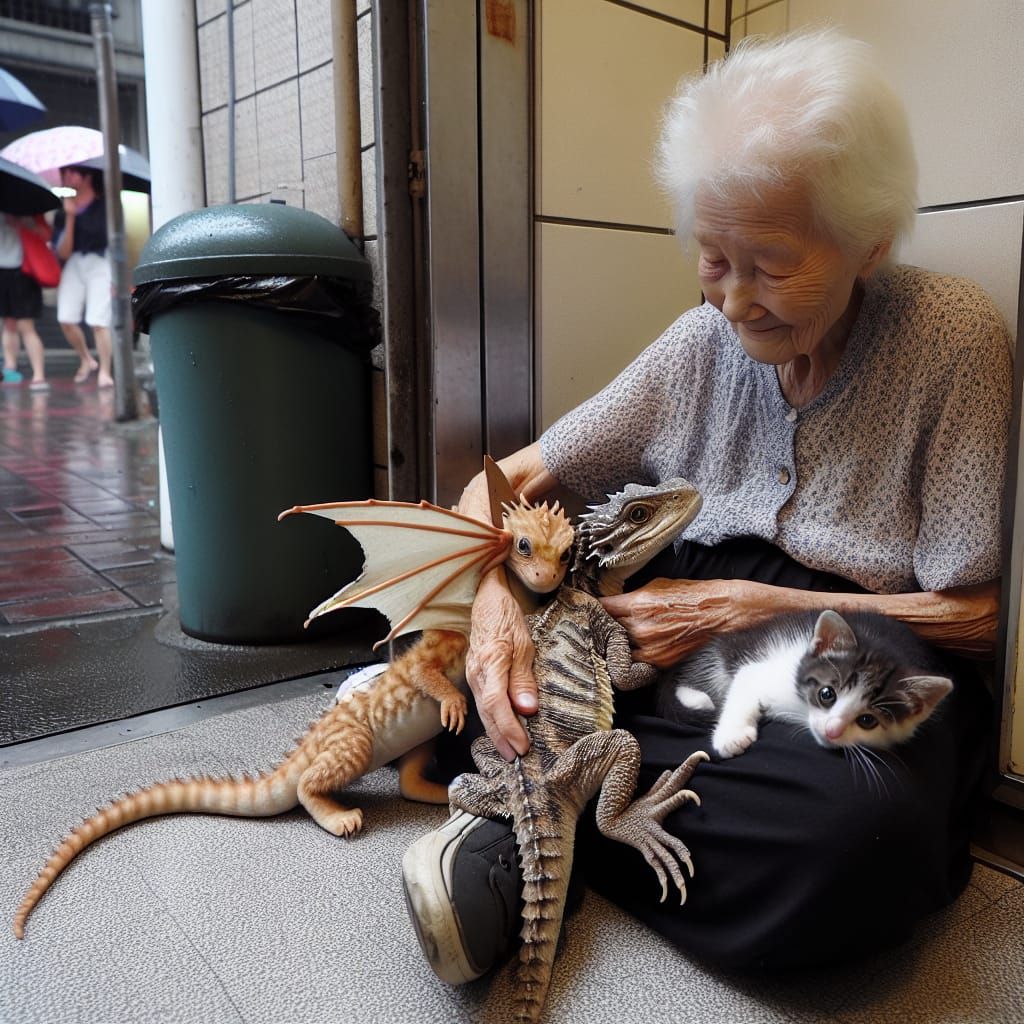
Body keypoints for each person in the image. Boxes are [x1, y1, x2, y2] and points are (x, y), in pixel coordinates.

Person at [400, 28, 1012, 975]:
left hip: (852, 658)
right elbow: (510, 481)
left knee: (864, 832)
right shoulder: (697, 345)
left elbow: (976, 619)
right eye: (712, 257)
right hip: (653, 640)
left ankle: (520, 840)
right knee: (525, 686)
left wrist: (758, 610)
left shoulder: (952, 339)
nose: (732, 300)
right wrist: (490, 606)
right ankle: (552, 822)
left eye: (769, 264)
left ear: (869, 242)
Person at [52, 165, 111, 387]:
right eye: (63, 173)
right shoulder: (63, 210)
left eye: (70, 172)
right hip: (75, 262)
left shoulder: (104, 205)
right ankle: (86, 359)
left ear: (86, 176)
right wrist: (70, 217)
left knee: (98, 321)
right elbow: (63, 252)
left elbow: (115, 239)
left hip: (101, 260)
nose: (66, 177)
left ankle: (105, 370)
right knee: (66, 318)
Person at [0, 213, 50, 390]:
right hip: (2, 270)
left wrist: (21, 224)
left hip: (24, 270)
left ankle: (39, 374)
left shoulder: (28, 207)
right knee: (8, 324)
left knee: (25, 325)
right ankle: (9, 368)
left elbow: (46, 234)